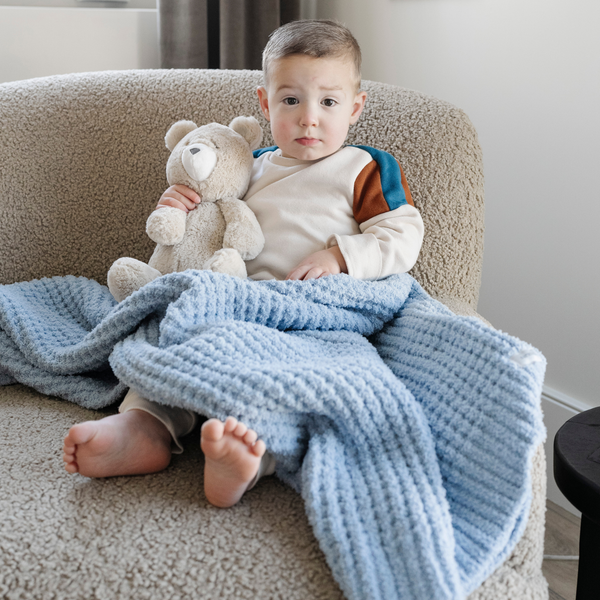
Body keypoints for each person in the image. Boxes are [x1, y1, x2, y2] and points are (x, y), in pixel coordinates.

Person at [62, 19, 424, 509]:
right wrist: (181, 202)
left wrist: (340, 254)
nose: (308, 119)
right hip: (236, 300)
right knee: (175, 340)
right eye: (291, 100)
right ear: (265, 103)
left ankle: (251, 457)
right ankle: (144, 426)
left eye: (329, 102)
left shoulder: (362, 166)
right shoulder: (248, 165)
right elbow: (205, 219)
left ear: (356, 107)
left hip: (308, 315)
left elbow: (402, 235)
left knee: (294, 378)